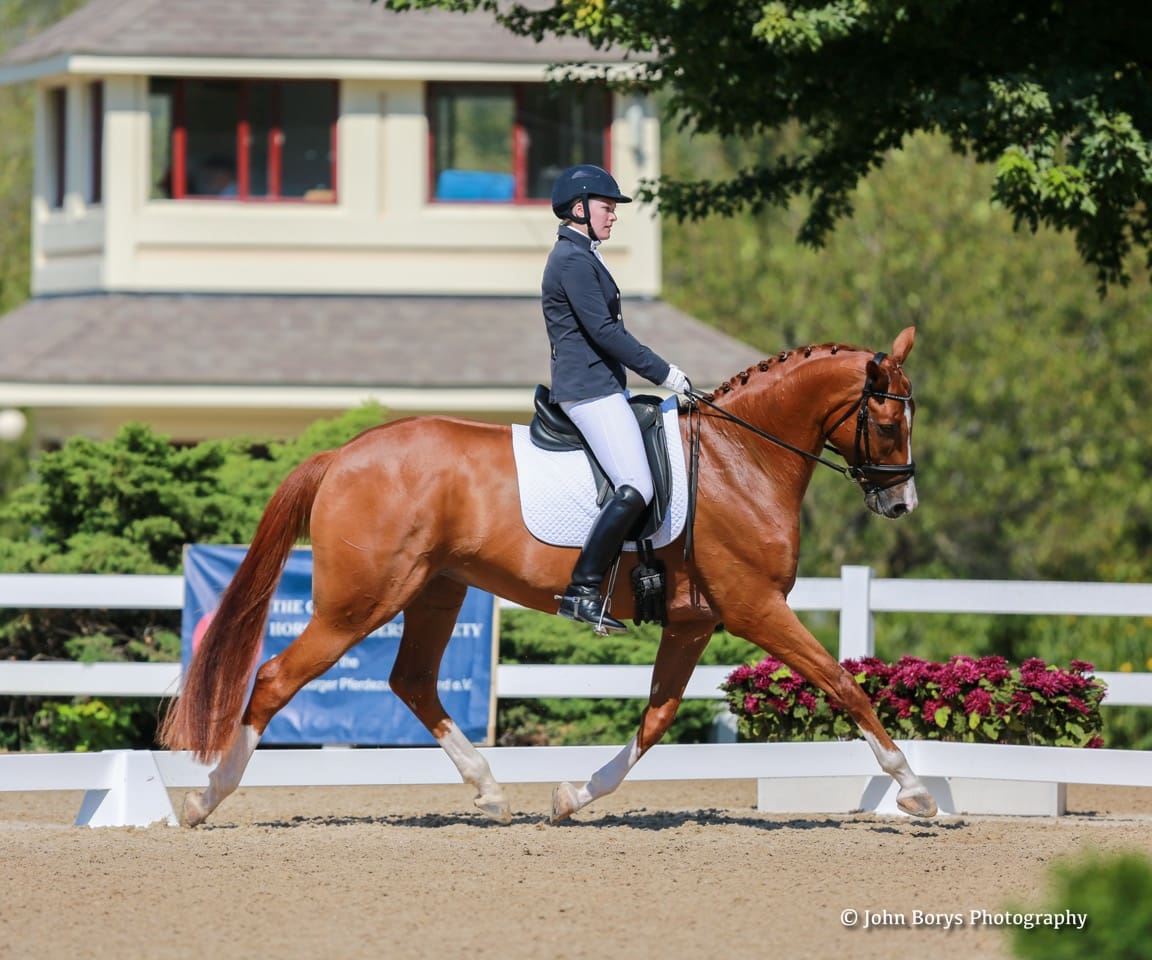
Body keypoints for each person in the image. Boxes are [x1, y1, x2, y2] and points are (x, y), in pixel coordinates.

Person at [542, 163, 693, 633]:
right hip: (589, 389)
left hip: (602, 386)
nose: (613, 215)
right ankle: (583, 588)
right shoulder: (571, 260)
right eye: (607, 207)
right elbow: (605, 332)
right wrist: (664, 372)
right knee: (637, 486)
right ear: (580, 208)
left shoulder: (584, 255)